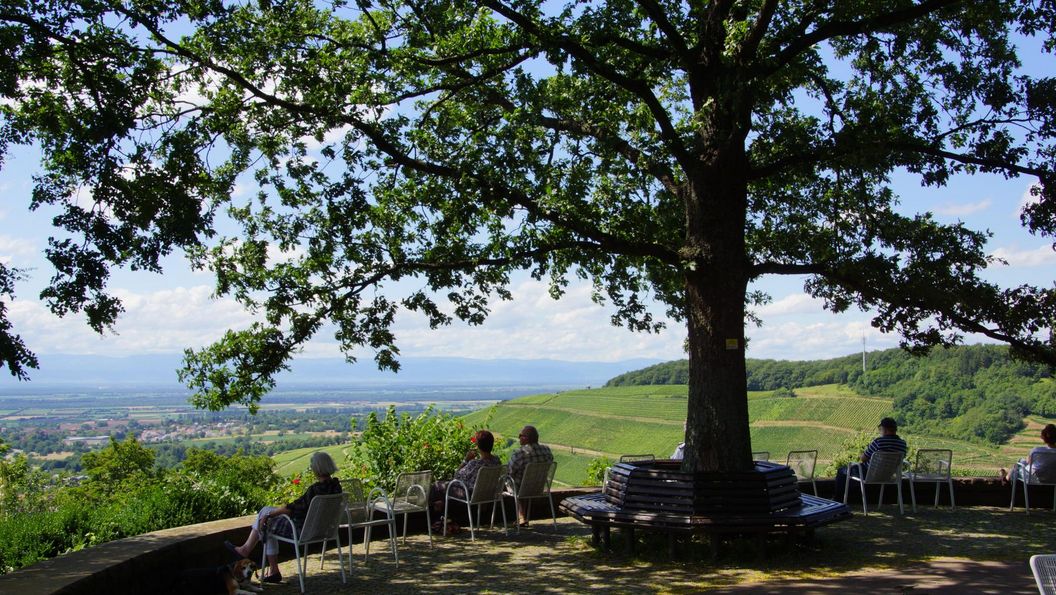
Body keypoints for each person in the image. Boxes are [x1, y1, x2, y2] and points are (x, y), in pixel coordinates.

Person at [227, 451, 341, 584]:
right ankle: (270, 568)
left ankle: (249, 552)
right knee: (267, 518)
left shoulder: (315, 490)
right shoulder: (336, 487)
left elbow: (291, 508)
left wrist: (269, 515)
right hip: (325, 530)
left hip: (303, 531)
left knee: (266, 517)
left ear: (317, 468)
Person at [429, 429, 502, 513]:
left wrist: (466, 460)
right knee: (443, 495)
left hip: (470, 495)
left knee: (437, 486)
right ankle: (442, 509)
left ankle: (432, 517)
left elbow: (456, 476)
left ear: (478, 445)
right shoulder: (497, 461)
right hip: (488, 495)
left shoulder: (474, 464)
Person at [834, 417, 908, 500]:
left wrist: (861, 454)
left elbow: (863, 458)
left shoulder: (878, 442)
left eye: (881, 429)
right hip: (888, 476)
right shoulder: (902, 444)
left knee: (842, 471)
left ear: (885, 429)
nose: (880, 431)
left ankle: (838, 500)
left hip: (869, 474)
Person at [508, 425, 554, 526]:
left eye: (521, 435)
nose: (519, 437)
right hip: (539, 486)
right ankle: (523, 517)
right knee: (523, 481)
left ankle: (521, 517)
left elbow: (509, 471)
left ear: (526, 438)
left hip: (521, 488)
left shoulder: (519, 453)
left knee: (513, 481)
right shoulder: (546, 450)